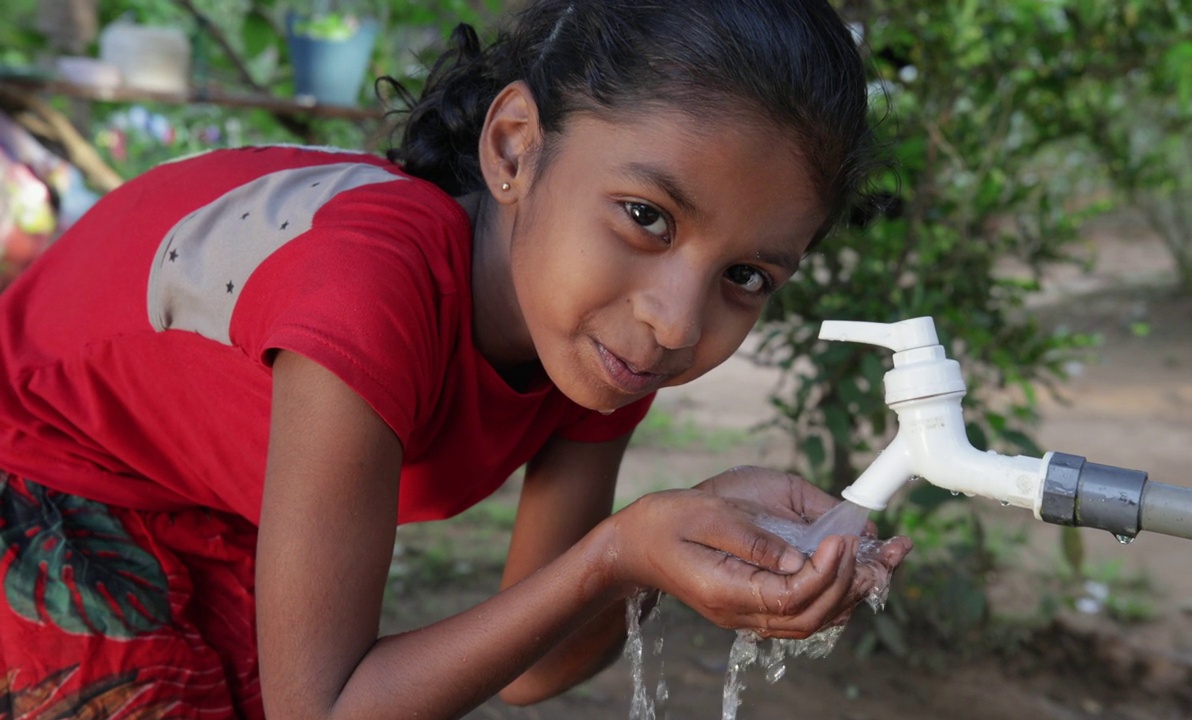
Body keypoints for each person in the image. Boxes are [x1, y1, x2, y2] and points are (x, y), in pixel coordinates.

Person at [0, 0, 912, 717]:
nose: (676, 320)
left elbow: (539, 664)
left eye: (747, 275)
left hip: (211, 512)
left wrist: (669, 548)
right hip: (43, 481)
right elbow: (325, 710)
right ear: (516, 147)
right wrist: (615, 554)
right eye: (645, 216)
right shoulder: (371, 289)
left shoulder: (601, 348)